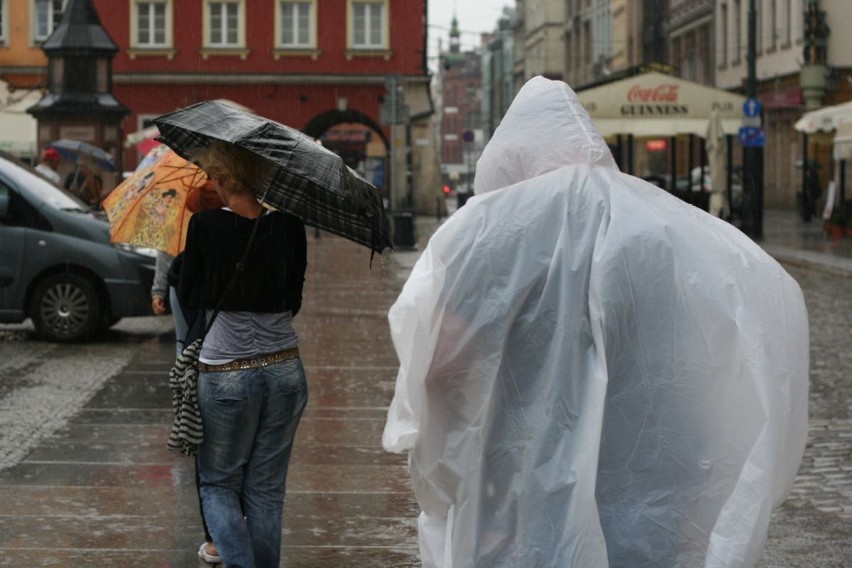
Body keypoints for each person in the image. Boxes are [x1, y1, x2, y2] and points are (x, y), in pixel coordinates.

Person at [382, 77, 809, 567]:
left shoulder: (487, 233)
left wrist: (458, 462)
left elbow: (440, 370)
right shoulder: (657, 229)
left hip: (519, 484)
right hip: (645, 489)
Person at [178, 140, 308, 568]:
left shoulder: (207, 226)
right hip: (285, 368)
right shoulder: (289, 226)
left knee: (217, 482)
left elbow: (193, 293)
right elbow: (293, 298)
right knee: (267, 489)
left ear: (224, 177)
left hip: (227, 369)